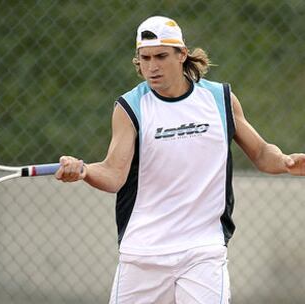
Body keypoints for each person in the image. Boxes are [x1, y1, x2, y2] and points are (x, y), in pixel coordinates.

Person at [55, 16, 305, 303]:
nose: (152, 67)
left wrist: (286, 162)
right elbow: (113, 174)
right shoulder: (130, 106)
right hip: (143, 254)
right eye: (145, 58)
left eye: (161, 56)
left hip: (203, 250)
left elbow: (261, 153)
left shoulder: (219, 98)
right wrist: (84, 171)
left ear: (182, 54)